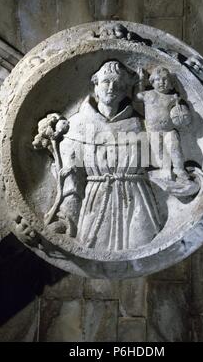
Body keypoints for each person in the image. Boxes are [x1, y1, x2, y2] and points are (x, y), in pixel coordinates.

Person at [57, 60, 161, 251]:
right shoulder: (78, 126)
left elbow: (160, 165)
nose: (112, 88)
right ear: (96, 85)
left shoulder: (141, 125)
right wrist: (67, 219)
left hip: (137, 201)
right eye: (106, 81)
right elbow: (72, 182)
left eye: (118, 84)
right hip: (95, 201)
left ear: (125, 91)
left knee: (141, 245)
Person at [135, 66, 190, 181]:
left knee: (175, 150)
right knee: (160, 152)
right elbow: (138, 95)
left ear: (170, 83)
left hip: (169, 130)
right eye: (158, 80)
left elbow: (181, 111)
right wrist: (141, 80)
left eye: (165, 80)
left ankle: (179, 169)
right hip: (153, 132)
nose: (162, 83)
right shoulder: (149, 94)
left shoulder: (173, 97)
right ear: (152, 82)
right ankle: (166, 170)